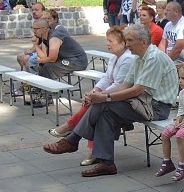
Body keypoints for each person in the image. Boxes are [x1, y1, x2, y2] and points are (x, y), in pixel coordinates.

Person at [43, 24, 179, 177]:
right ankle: (105, 162)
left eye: (129, 40)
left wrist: (104, 97)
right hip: (143, 102)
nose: (127, 44)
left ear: (143, 42)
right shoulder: (140, 57)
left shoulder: (153, 58)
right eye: (126, 40)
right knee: (104, 111)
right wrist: (100, 96)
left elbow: (137, 89)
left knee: (104, 106)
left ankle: (73, 140)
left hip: (157, 107)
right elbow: (125, 84)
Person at [47, 26, 135, 167]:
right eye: (107, 40)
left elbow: (120, 85)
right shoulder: (114, 58)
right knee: (94, 104)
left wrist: (98, 96)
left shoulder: (128, 59)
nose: (107, 44)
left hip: (125, 97)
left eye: (111, 41)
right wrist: (95, 91)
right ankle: (88, 147)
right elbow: (106, 78)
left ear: (123, 44)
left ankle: (71, 131)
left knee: (96, 105)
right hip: (112, 94)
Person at [31, 12, 88, 81]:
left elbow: (52, 58)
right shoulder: (44, 38)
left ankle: (48, 90)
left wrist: (40, 60)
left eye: (36, 29)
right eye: (33, 28)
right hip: (66, 59)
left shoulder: (54, 38)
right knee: (43, 65)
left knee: (48, 67)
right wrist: (36, 45)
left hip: (77, 61)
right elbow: (44, 57)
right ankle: (41, 88)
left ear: (45, 29)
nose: (34, 31)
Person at [15, 2, 47, 74]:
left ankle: (32, 81)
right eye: (32, 10)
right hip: (38, 49)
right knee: (20, 57)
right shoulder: (37, 21)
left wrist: (32, 50)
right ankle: (25, 77)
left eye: (36, 10)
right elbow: (37, 40)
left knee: (26, 59)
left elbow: (44, 43)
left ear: (43, 11)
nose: (34, 12)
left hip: (45, 52)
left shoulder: (45, 23)